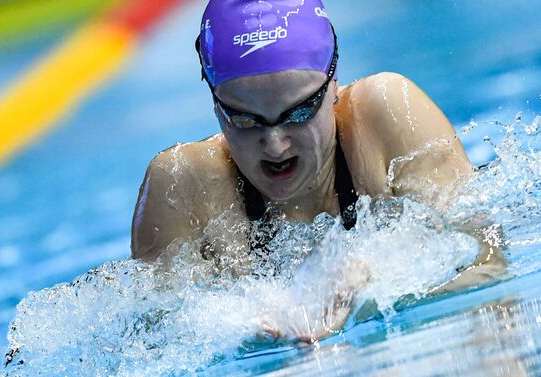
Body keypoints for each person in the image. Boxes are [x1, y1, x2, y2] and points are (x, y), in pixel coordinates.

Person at [131, 0, 504, 320]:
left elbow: (489, 265)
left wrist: (381, 288)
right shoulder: (182, 189)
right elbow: (154, 345)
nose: (275, 145)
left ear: (334, 82)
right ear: (215, 102)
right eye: (245, 119)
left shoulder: (389, 118)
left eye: (299, 112)